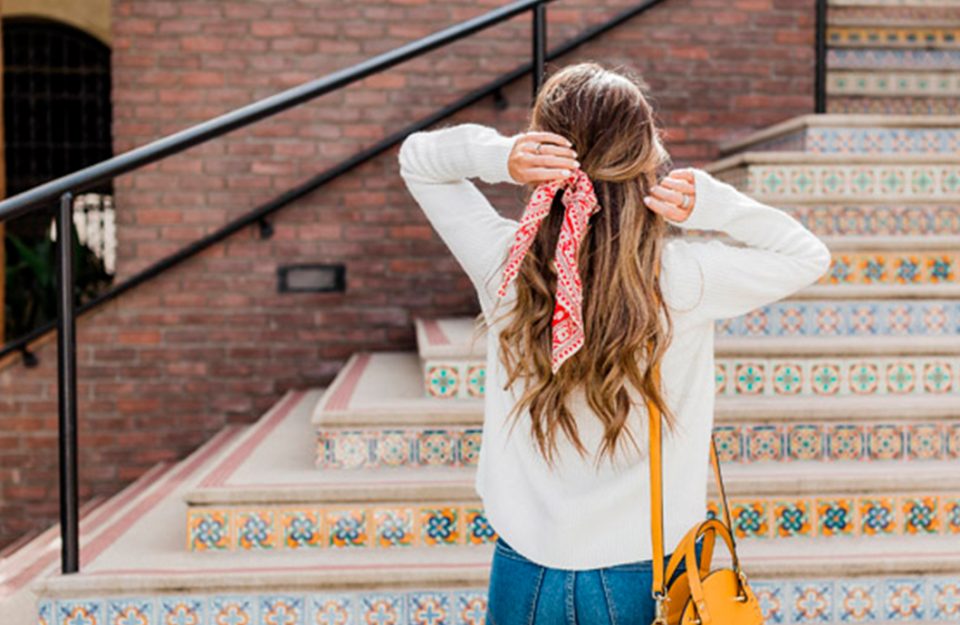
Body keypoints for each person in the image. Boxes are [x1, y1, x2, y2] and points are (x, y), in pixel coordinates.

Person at [397, 61, 831, 625]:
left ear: (544, 151)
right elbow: (807, 256)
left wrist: (499, 157)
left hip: (522, 564)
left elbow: (418, 160)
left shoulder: (505, 264)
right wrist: (717, 205)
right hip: (643, 572)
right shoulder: (683, 280)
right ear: (646, 158)